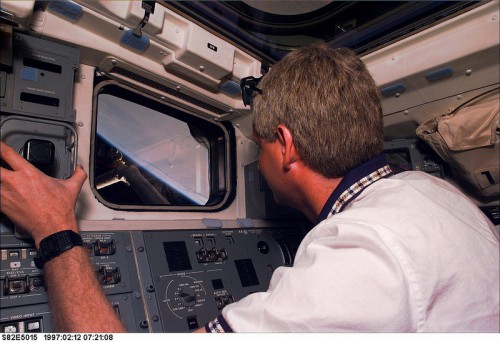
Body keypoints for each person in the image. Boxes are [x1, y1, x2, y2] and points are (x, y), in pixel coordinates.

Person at [1, 42, 498, 333]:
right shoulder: (440, 196)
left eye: (258, 146)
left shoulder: (361, 255)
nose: (256, 163)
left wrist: (54, 228)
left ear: (286, 147)